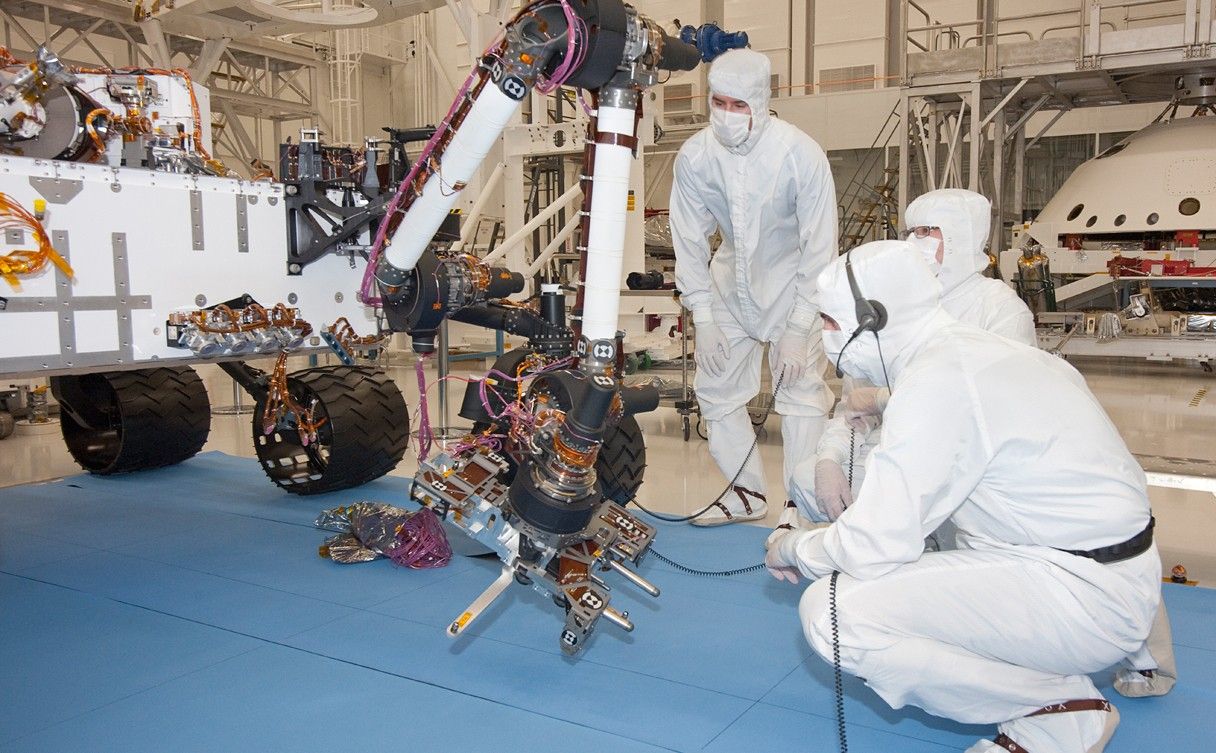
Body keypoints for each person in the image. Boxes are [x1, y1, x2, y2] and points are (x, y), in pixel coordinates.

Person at [765, 240, 1162, 753]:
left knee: (834, 613)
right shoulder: (977, 354)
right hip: (1106, 578)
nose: (825, 336)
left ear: (872, 320)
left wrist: (794, 546)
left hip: (1080, 597)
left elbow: (874, 544)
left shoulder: (939, 381)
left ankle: (1057, 711)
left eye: (830, 322)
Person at [670, 48, 836, 526]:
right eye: (718, 102)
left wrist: (800, 323)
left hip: (794, 289)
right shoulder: (696, 157)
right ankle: (747, 494)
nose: (726, 115)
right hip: (728, 287)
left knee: (802, 396)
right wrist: (702, 317)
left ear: (761, 102)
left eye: (738, 105)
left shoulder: (799, 154)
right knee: (716, 390)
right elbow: (688, 239)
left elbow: (819, 246)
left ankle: (799, 506)